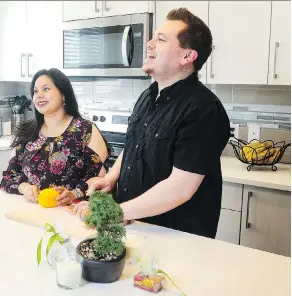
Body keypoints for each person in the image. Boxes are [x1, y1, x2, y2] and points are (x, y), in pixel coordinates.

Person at [78, 8, 231, 239]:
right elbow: (133, 146)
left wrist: (115, 212)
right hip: (135, 228)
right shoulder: (147, 97)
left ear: (187, 57)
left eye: (160, 39)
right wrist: (110, 178)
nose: (149, 44)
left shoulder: (204, 110)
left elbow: (180, 188)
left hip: (175, 237)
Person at [0, 68, 109, 205]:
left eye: (46, 89)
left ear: (63, 95)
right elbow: (9, 177)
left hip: (72, 214)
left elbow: (103, 181)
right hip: (32, 211)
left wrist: (73, 194)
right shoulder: (28, 131)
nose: (39, 95)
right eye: (35, 91)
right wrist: (26, 188)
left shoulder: (85, 131)